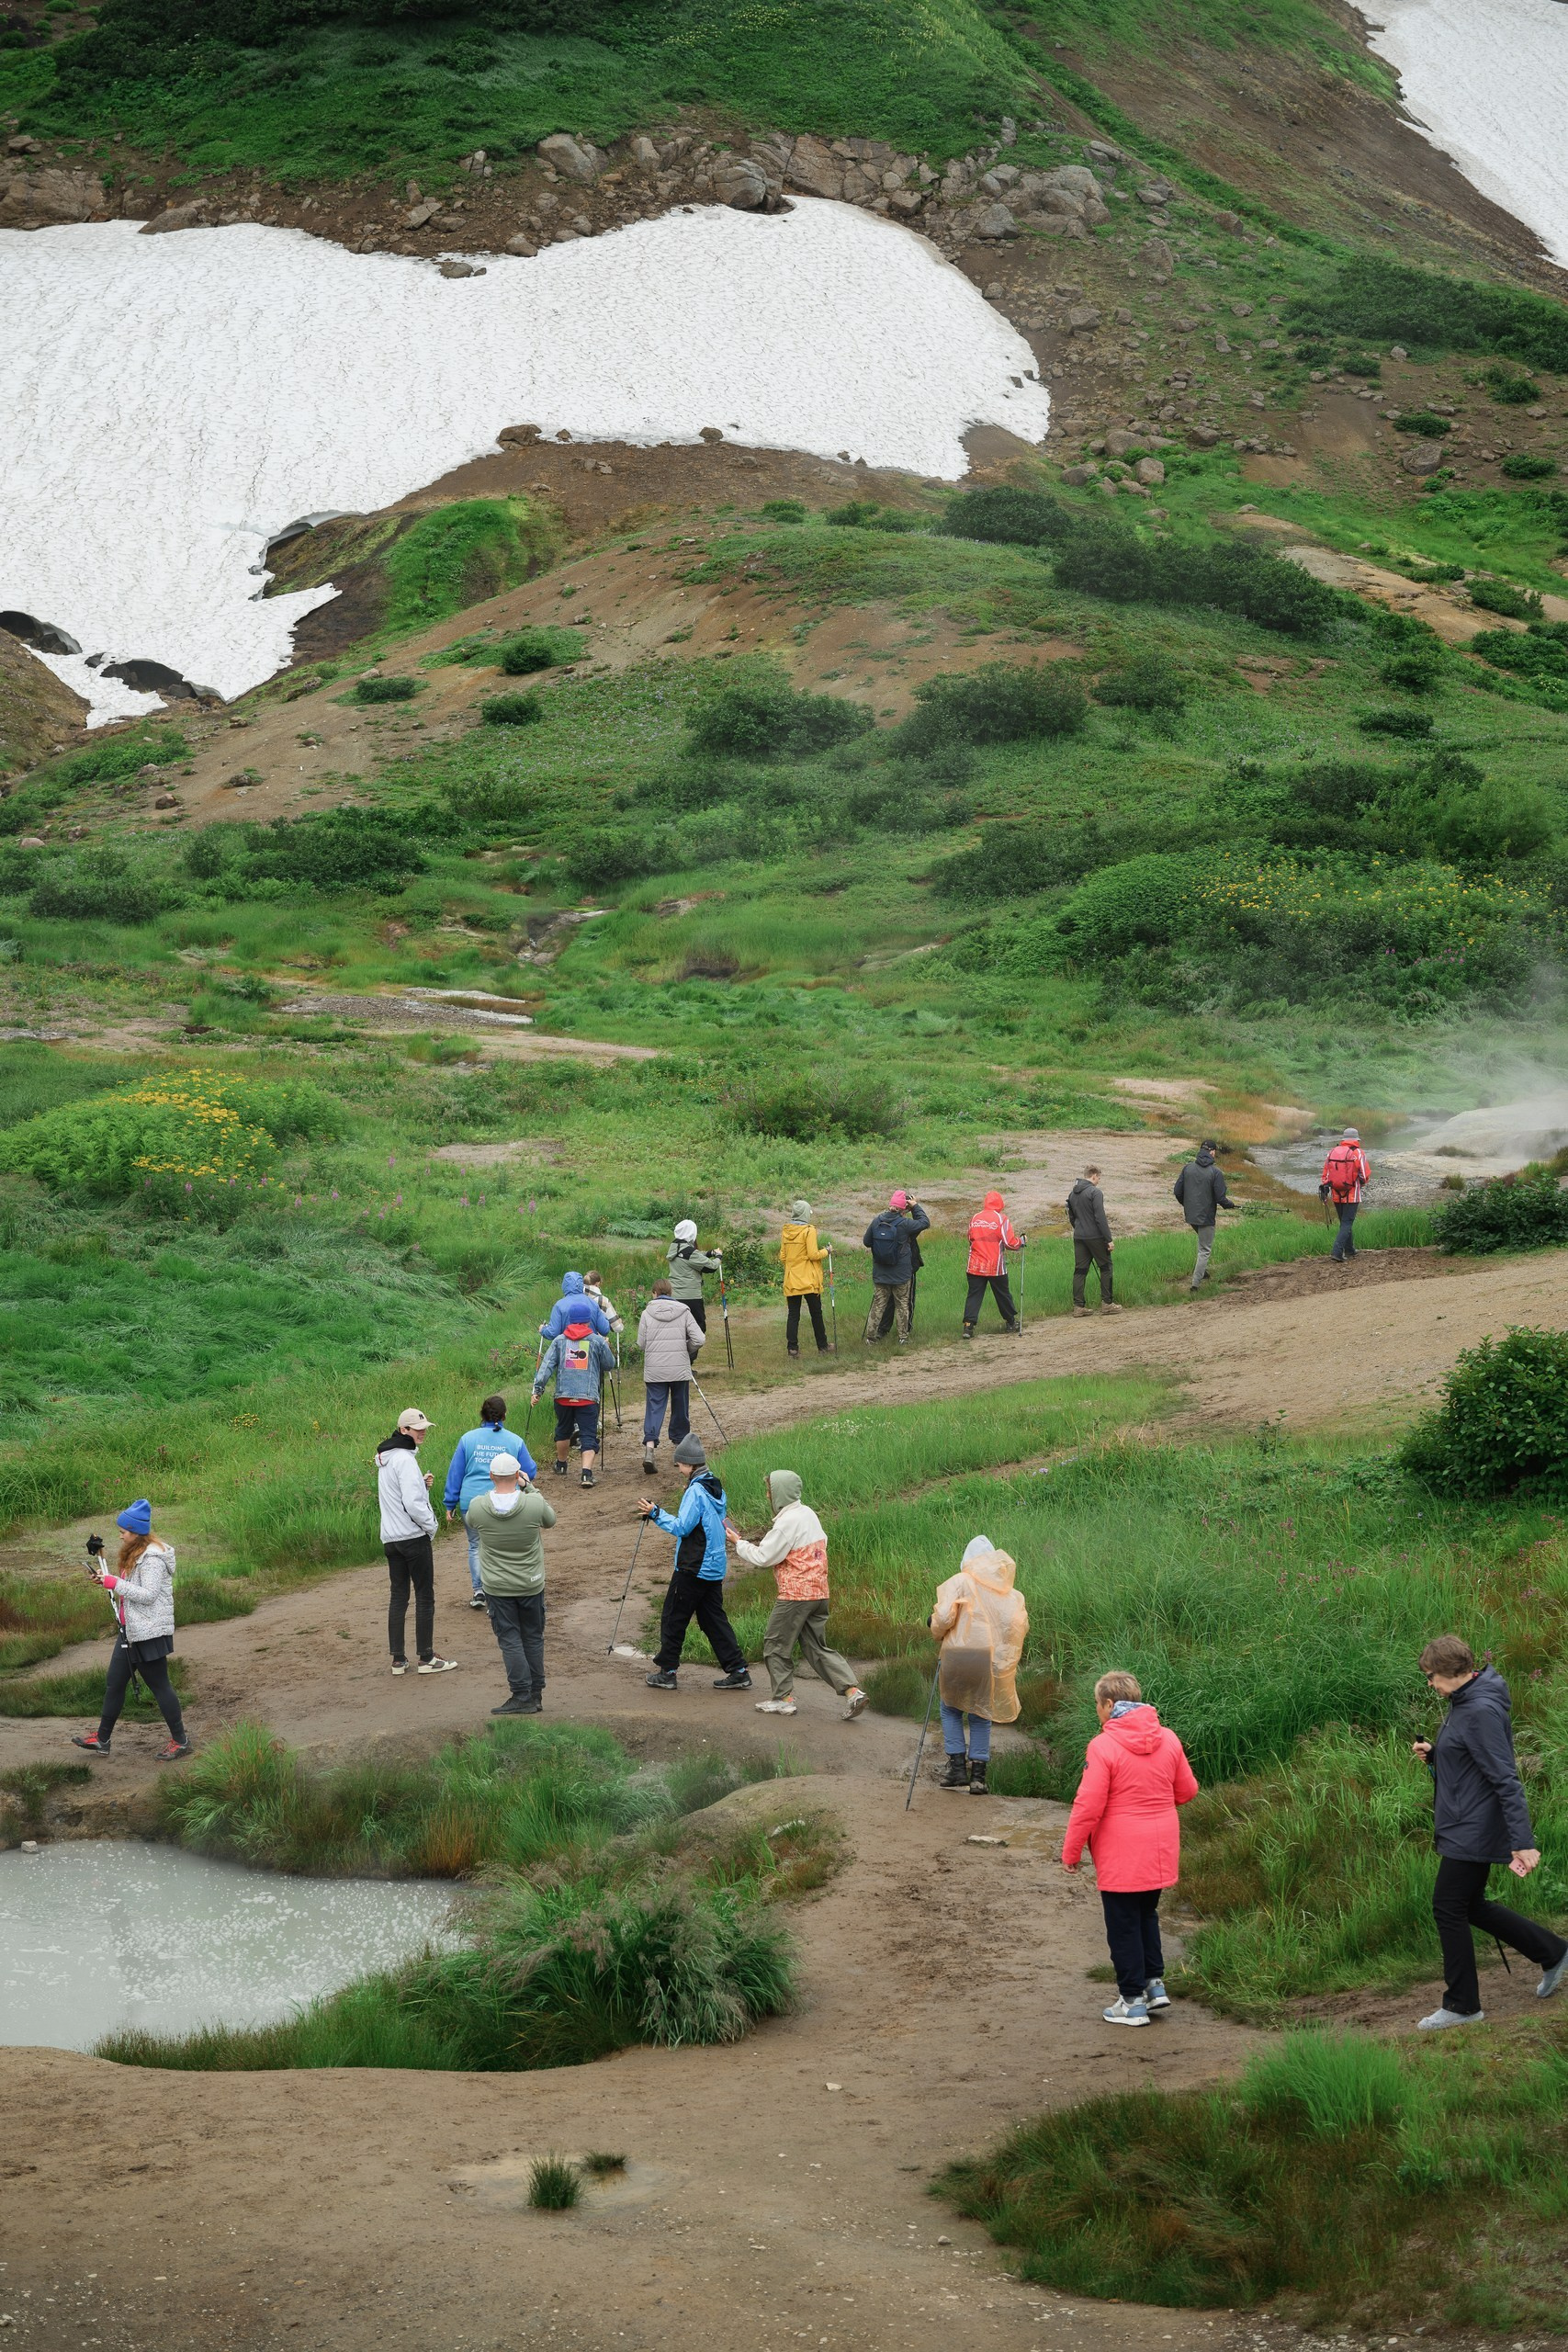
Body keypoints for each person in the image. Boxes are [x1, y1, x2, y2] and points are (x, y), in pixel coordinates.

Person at [1412, 1634, 1568, 2030]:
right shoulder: (1463, 1700)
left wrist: (1522, 1841)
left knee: (1447, 1906)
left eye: (1431, 1676)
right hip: (1465, 1821)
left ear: (1451, 1672)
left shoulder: (1478, 1709)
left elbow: (1505, 1779)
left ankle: (1463, 2006)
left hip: (1473, 1828)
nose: (1429, 1684)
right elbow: (1468, 1758)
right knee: (1471, 1905)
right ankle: (1553, 1952)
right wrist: (1435, 1755)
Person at [1061, 1670, 1200, 2027]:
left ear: (1109, 1704)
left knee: (1122, 1923)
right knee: (1145, 1914)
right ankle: (1154, 1985)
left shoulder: (1103, 1746)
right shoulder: (1168, 1738)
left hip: (1122, 1850)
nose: (1096, 1711)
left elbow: (1088, 1805)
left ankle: (1131, 2001)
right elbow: (1187, 1791)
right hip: (1160, 1846)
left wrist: (1071, 1851)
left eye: (1097, 1704)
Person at [726, 1470, 866, 1719]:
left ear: (780, 1493)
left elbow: (764, 1557)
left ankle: (783, 1698)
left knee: (775, 1644)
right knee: (816, 1647)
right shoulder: (809, 1514)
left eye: (770, 1490)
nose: (768, 1494)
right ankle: (852, 1692)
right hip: (820, 1593)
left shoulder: (786, 1522)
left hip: (795, 1596)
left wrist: (738, 1543)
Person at [71, 1501, 191, 1761]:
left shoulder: (153, 1558)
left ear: (136, 1531)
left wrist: (114, 1583)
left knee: (161, 1687)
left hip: (148, 1633)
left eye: (124, 1530)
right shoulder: (135, 1552)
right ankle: (102, 1740)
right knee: (115, 1683)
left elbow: (147, 1596)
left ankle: (181, 1741)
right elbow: (131, 1587)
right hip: (130, 1630)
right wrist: (107, 1580)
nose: (120, 1534)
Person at [638, 1433, 750, 1692]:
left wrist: (656, 1513)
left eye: (679, 1464)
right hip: (714, 1567)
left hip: (693, 1567)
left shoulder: (696, 1491)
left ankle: (668, 1672)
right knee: (713, 1620)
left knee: (673, 1617)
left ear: (689, 1465)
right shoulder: (716, 1486)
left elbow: (682, 1527)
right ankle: (739, 1670)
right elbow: (721, 1520)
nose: (678, 1468)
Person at [928, 1534, 1029, 1797]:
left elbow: (944, 1617)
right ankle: (979, 1778)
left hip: (958, 1655)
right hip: (988, 1657)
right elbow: (1016, 1626)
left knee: (950, 1708)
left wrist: (933, 1626)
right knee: (982, 1712)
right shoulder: (1009, 1593)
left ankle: (957, 1769)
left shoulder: (960, 1581)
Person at [467, 1453, 556, 1717]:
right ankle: (535, 1693)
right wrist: (530, 1487)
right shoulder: (533, 1503)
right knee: (532, 1637)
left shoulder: (478, 1506)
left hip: (497, 1586)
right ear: (518, 1476)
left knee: (510, 1639)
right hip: (531, 1584)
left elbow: (472, 1524)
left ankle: (521, 1694)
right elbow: (551, 1520)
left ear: (491, 1476)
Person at [376, 1408, 457, 1676]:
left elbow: (398, 1496)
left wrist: (421, 1485)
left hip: (391, 1538)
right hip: (412, 1537)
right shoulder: (405, 1460)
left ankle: (398, 1660)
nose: (422, 1432)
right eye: (416, 1428)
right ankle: (427, 1658)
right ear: (403, 1430)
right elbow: (412, 1504)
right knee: (424, 1596)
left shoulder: (386, 1459)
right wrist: (430, 1526)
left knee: (398, 1596)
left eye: (423, 1428)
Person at [443, 1393, 537, 1610]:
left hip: (471, 1503)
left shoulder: (468, 1439)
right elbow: (530, 1470)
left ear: (482, 1415)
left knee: (476, 1546)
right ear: (504, 1415)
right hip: (506, 1501)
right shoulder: (514, 1441)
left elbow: (455, 1473)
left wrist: (450, 1503)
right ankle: (503, 1590)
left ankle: (479, 1592)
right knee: (504, 1545)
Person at [534, 1310, 617, 1488]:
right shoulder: (597, 1340)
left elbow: (546, 1367)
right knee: (588, 1434)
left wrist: (537, 1390)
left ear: (570, 1322)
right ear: (588, 1322)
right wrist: (606, 1346)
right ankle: (586, 1475)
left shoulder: (559, 1341)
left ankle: (562, 1465)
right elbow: (609, 1364)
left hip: (563, 1397)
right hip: (587, 1399)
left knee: (563, 1429)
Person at [637, 1277, 704, 1476]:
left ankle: (650, 1449)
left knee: (654, 1408)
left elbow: (641, 1344)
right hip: (679, 1370)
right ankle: (680, 1452)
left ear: (654, 1293)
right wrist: (686, 1350)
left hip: (655, 1370)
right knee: (680, 1407)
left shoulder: (646, 1313)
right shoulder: (684, 1311)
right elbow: (699, 1339)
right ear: (671, 1292)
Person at [863, 1190, 931, 1347]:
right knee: (902, 1304)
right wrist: (915, 1206)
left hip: (881, 1273)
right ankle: (903, 1338)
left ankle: (871, 1339)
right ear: (903, 1208)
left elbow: (867, 1242)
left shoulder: (876, 1221)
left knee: (878, 1305)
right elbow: (924, 1222)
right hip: (901, 1274)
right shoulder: (905, 1224)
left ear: (890, 1205)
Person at [1173, 1141, 1232, 1292]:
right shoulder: (1215, 1172)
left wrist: (1187, 1205)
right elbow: (1220, 1198)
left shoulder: (1187, 1168)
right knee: (1204, 1250)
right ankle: (1195, 1285)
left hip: (1191, 1215)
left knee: (1202, 1244)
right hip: (1206, 1218)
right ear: (1212, 1152)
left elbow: (1177, 1192)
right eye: (1215, 1152)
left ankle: (1202, 1271)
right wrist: (1229, 1204)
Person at [964, 1190, 1022, 1338]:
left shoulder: (975, 1217)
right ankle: (1011, 1322)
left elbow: (970, 1238)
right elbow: (1010, 1243)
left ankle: (968, 1327)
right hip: (994, 1265)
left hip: (975, 1264)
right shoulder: (1001, 1219)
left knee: (974, 1295)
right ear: (1000, 1204)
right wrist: (1021, 1242)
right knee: (1002, 1294)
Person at [1066, 1164, 1121, 1317]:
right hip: (1095, 1237)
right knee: (1106, 1267)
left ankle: (1078, 1306)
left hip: (1079, 1236)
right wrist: (1108, 1239)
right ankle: (1107, 1304)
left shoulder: (1072, 1193)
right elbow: (1100, 1217)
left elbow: (1072, 1217)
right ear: (1094, 1175)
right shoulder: (1095, 1193)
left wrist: (1079, 1228)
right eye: (1099, 1178)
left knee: (1080, 1270)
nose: (1099, 1181)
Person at [779, 1199, 831, 1358]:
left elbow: (782, 1256)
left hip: (792, 1279)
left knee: (793, 1314)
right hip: (809, 1279)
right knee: (816, 1313)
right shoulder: (809, 1230)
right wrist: (827, 1251)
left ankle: (792, 1349)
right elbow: (813, 1255)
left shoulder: (786, 1230)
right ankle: (823, 1346)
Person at [1321, 1127, 1370, 1262]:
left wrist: (1326, 1191)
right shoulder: (1359, 1153)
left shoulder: (1332, 1152)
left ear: (1343, 1139)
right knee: (1347, 1223)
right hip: (1352, 1194)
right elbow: (1364, 1175)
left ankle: (1349, 1249)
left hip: (1336, 1194)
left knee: (1344, 1222)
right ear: (1356, 1140)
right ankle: (1337, 1252)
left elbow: (1326, 1174)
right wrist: (1361, 1183)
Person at [667, 1219, 722, 1334]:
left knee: (679, 1330)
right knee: (697, 1329)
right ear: (692, 1233)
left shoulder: (675, 1248)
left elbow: (693, 1255)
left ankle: (682, 1351)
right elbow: (711, 1267)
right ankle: (691, 1352)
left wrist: (709, 1253)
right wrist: (718, 1257)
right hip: (691, 1297)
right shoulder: (689, 1252)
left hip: (674, 1296)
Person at [538, 1270, 615, 1341]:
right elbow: (604, 1330)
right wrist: (604, 1317)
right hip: (590, 1350)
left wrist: (543, 1329)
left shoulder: (559, 1306)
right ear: (581, 1285)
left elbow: (552, 1333)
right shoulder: (593, 1304)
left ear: (564, 1285)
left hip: (566, 1351)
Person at [583, 1270, 626, 1337]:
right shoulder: (602, 1300)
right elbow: (618, 1327)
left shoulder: (576, 1297)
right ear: (597, 1283)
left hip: (574, 1340)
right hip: (596, 1340)